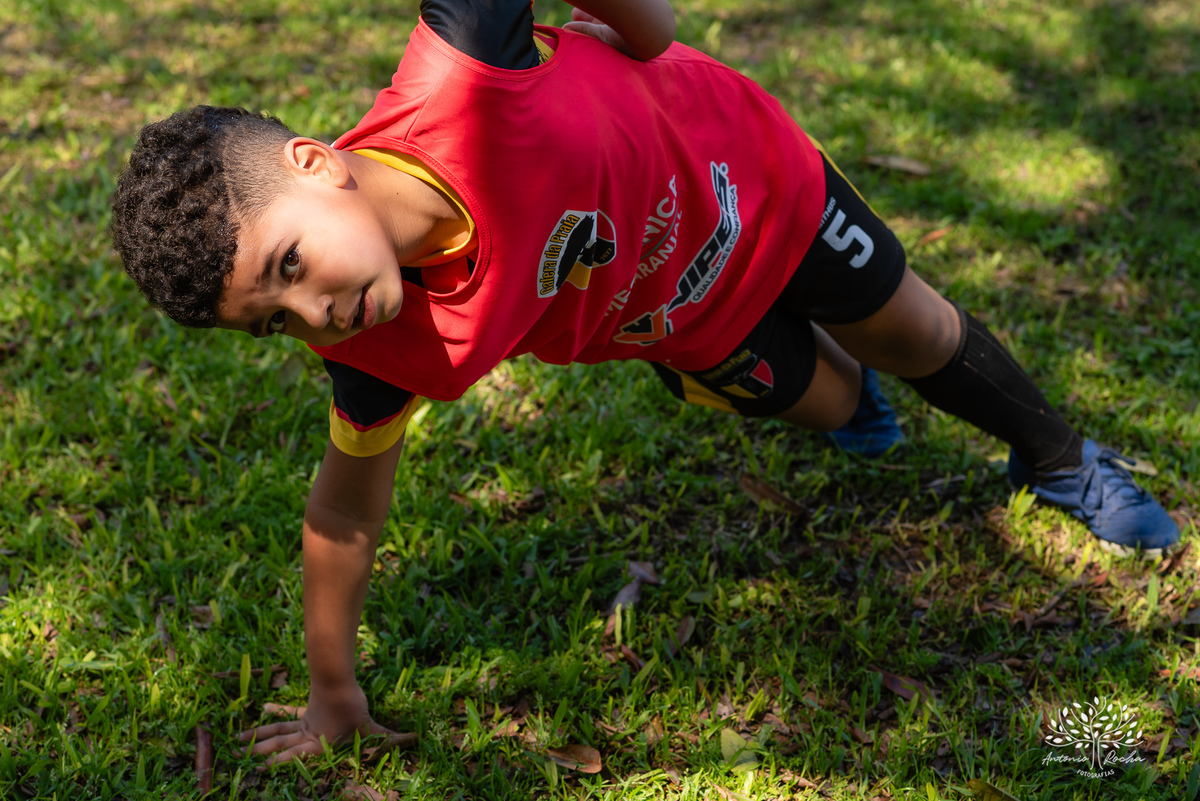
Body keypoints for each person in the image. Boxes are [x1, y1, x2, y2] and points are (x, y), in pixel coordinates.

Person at [108, 0, 1180, 764]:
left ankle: (1062, 462)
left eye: (290, 268)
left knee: (914, 328)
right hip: (682, 319)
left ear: (313, 160)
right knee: (842, 405)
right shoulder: (372, 350)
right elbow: (342, 515)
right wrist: (333, 690)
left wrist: (647, 24)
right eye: (273, 321)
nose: (313, 315)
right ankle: (840, 398)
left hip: (753, 176)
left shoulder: (464, 74)